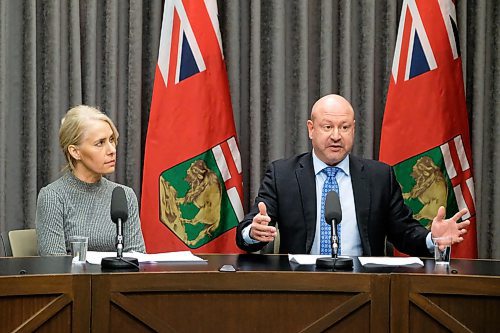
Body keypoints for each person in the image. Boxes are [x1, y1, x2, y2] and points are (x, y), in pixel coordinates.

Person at [236, 94, 469, 256]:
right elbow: (247, 230)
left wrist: (433, 239)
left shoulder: (379, 177)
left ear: (354, 129)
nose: (336, 136)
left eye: (344, 127)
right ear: (311, 129)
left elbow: (404, 232)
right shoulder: (283, 175)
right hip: (302, 286)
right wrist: (253, 232)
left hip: (366, 287)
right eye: (328, 127)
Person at [36, 105, 145, 255]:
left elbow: (137, 259)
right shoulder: (52, 197)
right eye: (100, 143)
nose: (112, 150)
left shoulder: (125, 195)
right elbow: (55, 267)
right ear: (75, 152)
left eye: (112, 140)